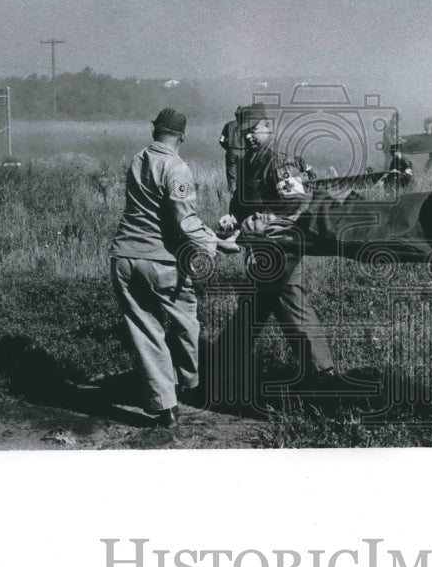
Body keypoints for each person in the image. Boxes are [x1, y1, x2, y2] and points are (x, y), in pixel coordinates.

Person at [109, 108, 236, 427]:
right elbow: (184, 221)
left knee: (146, 332)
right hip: (161, 261)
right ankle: (190, 383)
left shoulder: (138, 159)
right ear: (182, 135)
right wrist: (218, 243)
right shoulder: (176, 167)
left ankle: (167, 408)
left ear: (155, 130)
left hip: (124, 257)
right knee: (187, 323)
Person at [215, 102, 340, 397]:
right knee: (258, 305)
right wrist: (232, 218)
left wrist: (248, 227)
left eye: (252, 131)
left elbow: (294, 204)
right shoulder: (250, 161)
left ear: (267, 127)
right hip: (262, 248)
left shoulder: (278, 159)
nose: (246, 137)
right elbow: (243, 202)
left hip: (281, 247)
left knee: (286, 303)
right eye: (242, 132)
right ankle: (225, 363)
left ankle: (323, 374)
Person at [219, 105, 246, 194]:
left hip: (231, 152)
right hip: (244, 152)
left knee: (231, 176)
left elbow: (221, 140)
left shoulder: (228, 125)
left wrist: (228, 148)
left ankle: (232, 195)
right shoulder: (247, 125)